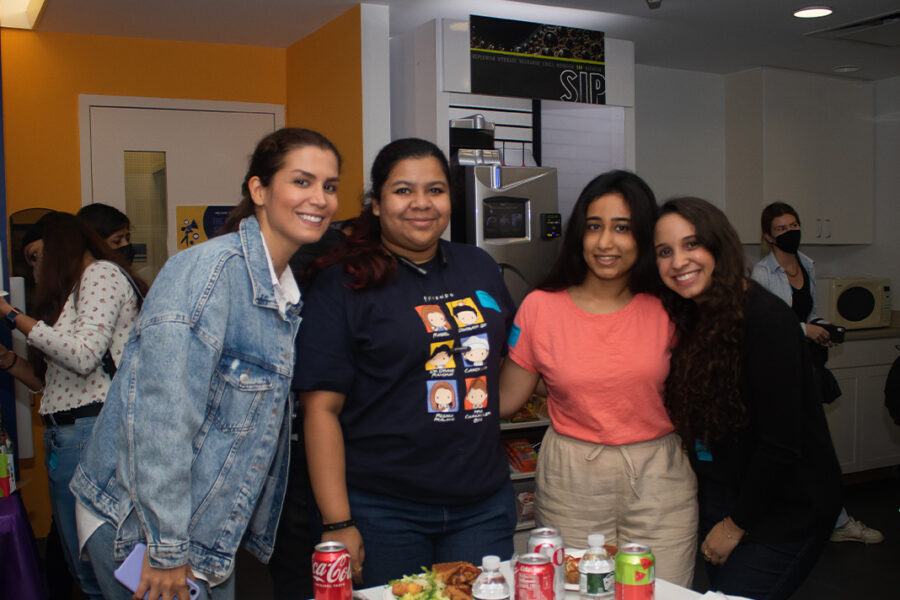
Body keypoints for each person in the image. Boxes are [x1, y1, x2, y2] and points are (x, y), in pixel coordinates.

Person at [69, 127, 341, 600]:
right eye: (302, 181)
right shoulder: (209, 272)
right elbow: (160, 419)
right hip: (142, 529)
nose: (319, 198)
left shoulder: (283, 293)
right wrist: (167, 549)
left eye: (330, 186)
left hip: (199, 530)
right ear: (259, 189)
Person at [295, 138, 517, 587]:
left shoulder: (478, 266)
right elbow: (321, 410)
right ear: (376, 203)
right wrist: (338, 522)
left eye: (435, 190)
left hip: (482, 504)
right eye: (403, 191)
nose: (421, 204)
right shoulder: (342, 283)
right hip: (385, 509)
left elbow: (509, 362)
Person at [499, 170, 698, 587]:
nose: (606, 243)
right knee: (576, 593)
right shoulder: (540, 307)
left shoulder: (670, 304)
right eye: (594, 227)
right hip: (572, 478)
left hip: (659, 478)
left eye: (622, 228)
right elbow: (505, 400)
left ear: (643, 236)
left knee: (665, 593)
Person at [653, 197, 843, 600]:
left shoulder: (766, 321)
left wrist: (735, 525)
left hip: (787, 508)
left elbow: (780, 444)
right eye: (665, 252)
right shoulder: (694, 316)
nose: (678, 261)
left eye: (692, 245)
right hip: (724, 491)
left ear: (720, 244)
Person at [0, 211, 146, 599]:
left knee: (109, 568)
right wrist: (9, 360)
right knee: (86, 571)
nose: (34, 270)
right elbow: (55, 385)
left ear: (61, 246)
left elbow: (83, 355)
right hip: (67, 436)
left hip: (91, 432)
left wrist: (11, 315)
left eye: (36, 257)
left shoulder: (100, 275)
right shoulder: (72, 295)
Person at [750, 201, 883, 545]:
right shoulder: (763, 274)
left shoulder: (807, 264)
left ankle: (824, 521)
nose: (790, 232)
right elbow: (762, 327)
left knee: (808, 449)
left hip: (807, 367)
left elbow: (814, 313)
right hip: (777, 372)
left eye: (793, 225)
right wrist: (803, 331)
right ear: (768, 235)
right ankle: (829, 522)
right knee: (801, 449)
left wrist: (824, 327)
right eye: (781, 228)